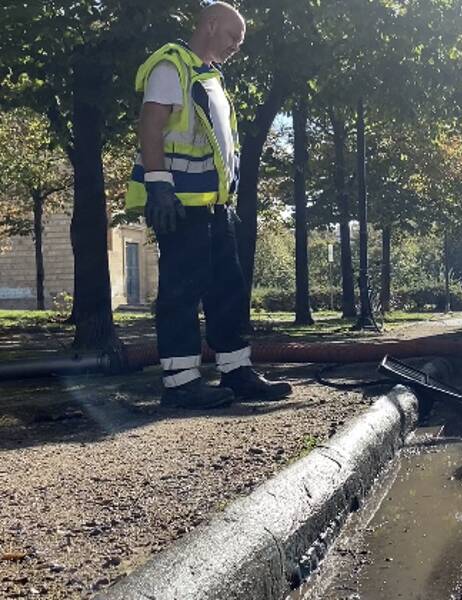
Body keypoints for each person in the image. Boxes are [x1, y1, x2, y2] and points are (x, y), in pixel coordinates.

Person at [125, 2, 291, 409]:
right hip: (179, 204)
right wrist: (159, 185)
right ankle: (180, 383)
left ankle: (236, 370)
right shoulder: (172, 67)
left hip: (213, 206)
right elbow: (151, 124)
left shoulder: (209, 76)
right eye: (234, 36)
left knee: (226, 289)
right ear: (211, 25)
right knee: (182, 290)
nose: (237, 46)